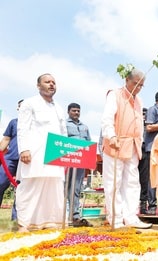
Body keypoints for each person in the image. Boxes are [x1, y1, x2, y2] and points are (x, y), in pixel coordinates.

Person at [101, 68, 152, 229]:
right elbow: (107, 119)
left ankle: (131, 218)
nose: (138, 88)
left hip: (133, 146)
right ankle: (115, 219)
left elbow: (139, 123)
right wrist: (111, 136)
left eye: (141, 85)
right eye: (135, 83)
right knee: (113, 183)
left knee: (132, 182)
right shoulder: (114, 94)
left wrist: (140, 142)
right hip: (115, 144)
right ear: (127, 80)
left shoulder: (139, 100)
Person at [16, 73, 67, 232]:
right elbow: (22, 127)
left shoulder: (58, 107)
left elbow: (63, 132)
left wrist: (64, 151)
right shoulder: (29, 103)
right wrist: (24, 148)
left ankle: (51, 222)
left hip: (54, 154)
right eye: (47, 82)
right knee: (31, 187)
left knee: (54, 188)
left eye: (54, 82)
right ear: (38, 86)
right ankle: (24, 224)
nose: (51, 84)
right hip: (34, 154)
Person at [66, 103, 93, 227]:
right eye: (74, 111)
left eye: (78, 111)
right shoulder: (64, 124)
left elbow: (89, 144)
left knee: (76, 188)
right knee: (64, 187)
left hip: (81, 162)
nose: (76, 113)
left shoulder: (85, 127)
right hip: (66, 161)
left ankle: (75, 216)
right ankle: (62, 215)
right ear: (68, 112)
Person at [0, 99, 23, 221]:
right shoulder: (13, 122)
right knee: (0, 183)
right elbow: (6, 140)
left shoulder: (34, 125)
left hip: (26, 162)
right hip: (10, 159)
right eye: (20, 106)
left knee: (21, 190)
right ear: (18, 108)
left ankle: (16, 218)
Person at [138, 108, 148, 214]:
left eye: (145, 114)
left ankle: (143, 203)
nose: (143, 116)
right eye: (142, 114)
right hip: (133, 150)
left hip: (145, 151)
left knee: (144, 179)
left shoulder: (148, 126)